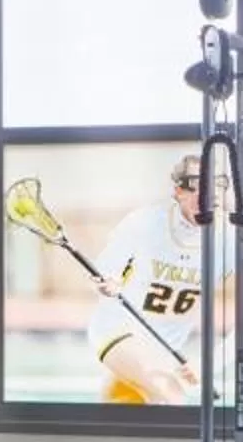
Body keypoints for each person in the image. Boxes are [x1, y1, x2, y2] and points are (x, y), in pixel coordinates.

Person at [88, 153, 209, 405]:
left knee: (126, 408)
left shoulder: (225, 241)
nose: (203, 194)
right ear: (178, 191)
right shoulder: (145, 223)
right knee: (172, 397)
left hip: (165, 351)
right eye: (194, 186)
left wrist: (208, 363)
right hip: (119, 332)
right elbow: (107, 267)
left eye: (210, 186)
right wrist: (110, 280)